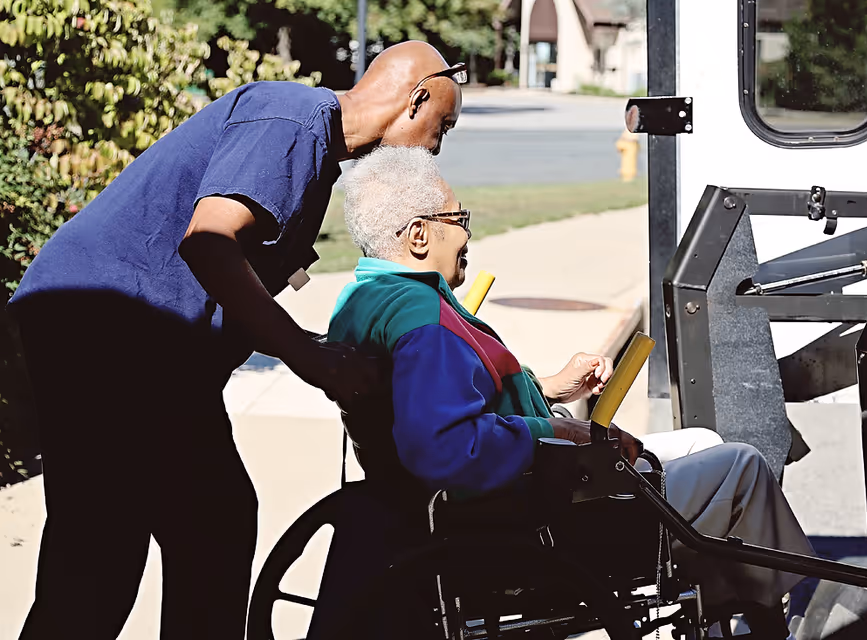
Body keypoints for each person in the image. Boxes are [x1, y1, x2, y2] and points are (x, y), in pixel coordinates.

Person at [7, 41, 465, 640]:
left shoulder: (315, 149)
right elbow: (209, 241)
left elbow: (235, 287)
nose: (435, 148)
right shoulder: (294, 119)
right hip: (106, 330)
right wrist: (305, 354)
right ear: (417, 97)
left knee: (212, 521)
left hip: (154, 353)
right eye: (443, 127)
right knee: (101, 556)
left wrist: (332, 352)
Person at [320, 146, 814, 639]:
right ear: (420, 234)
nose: (468, 233)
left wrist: (551, 387)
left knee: (702, 441)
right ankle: (788, 614)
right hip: (531, 514)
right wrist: (558, 427)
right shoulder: (422, 319)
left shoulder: (364, 300)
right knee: (742, 466)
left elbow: (454, 399)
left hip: (499, 495)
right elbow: (445, 447)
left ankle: (732, 598)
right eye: (457, 218)